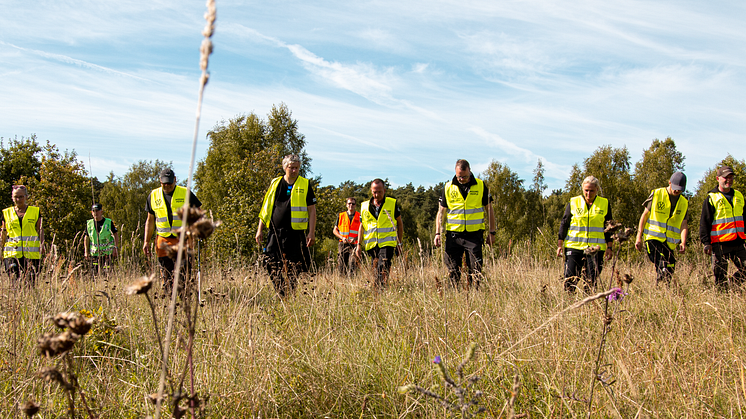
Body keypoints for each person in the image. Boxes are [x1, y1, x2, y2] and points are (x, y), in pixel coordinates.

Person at [256, 154, 317, 297]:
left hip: (295, 233)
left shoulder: (305, 184)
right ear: (285, 167)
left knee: (295, 265)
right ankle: (281, 291)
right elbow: (266, 208)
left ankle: (289, 293)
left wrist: (311, 232)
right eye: (291, 167)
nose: (294, 170)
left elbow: (312, 210)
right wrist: (260, 229)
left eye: (297, 168)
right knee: (269, 262)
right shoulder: (275, 183)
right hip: (275, 232)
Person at [433, 159, 495, 289]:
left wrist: (492, 232)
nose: (462, 179)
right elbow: (441, 212)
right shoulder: (448, 187)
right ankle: (454, 296)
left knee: (475, 269)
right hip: (454, 236)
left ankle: (474, 296)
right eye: (459, 176)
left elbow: (489, 209)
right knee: (453, 269)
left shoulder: (480, 185)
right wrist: (437, 233)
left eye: (465, 176)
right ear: (455, 173)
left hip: (474, 235)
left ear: (470, 171)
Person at [143, 169, 201, 288]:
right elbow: (150, 220)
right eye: (164, 183)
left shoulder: (185, 192)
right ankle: (169, 298)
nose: (167, 185)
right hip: (163, 241)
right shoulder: (153, 195)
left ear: (175, 180)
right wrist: (146, 241)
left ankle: (184, 297)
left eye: (169, 183)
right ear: (160, 181)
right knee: (166, 273)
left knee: (184, 273)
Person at [556, 176, 613, 292]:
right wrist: (560, 245)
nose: (588, 193)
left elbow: (609, 227)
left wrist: (610, 247)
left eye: (592, 190)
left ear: (597, 189)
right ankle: (570, 305)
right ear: (582, 189)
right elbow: (564, 224)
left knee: (591, 282)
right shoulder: (573, 202)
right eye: (586, 190)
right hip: (574, 246)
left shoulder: (604, 203)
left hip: (595, 249)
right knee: (570, 281)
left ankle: (589, 306)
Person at [634, 172, 689, 284]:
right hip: (653, 237)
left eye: (680, 189)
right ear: (669, 182)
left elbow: (684, 224)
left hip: (670, 241)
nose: (677, 191)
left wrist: (683, 242)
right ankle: (661, 278)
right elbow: (644, 216)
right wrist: (638, 237)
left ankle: (663, 287)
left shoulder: (684, 202)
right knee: (660, 260)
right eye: (675, 188)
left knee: (671, 264)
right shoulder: (657, 193)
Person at [699, 166, 746, 289]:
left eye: (731, 177)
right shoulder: (711, 198)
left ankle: (733, 285)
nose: (728, 180)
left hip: (738, 241)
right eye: (725, 177)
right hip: (720, 244)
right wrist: (706, 243)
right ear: (718, 178)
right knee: (720, 278)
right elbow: (704, 222)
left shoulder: (739, 196)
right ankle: (722, 298)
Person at [355, 179, 404, 288]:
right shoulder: (364, 206)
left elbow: (400, 224)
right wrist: (359, 245)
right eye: (374, 192)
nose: (376, 195)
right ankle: (379, 288)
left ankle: (379, 290)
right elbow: (361, 226)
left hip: (387, 243)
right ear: (371, 191)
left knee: (383, 266)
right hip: (371, 245)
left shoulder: (392, 203)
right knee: (375, 268)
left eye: (379, 192)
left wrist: (399, 243)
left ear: (384, 190)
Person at [0, 185, 43, 286]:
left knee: (30, 283)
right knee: (14, 282)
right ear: (12, 197)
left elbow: (40, 229)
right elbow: (3, 232)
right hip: (12, 253)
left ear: (26, 197)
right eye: (16, 197)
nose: (18, 199)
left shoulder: (35, 211)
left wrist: (42, 244)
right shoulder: (6, 213)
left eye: (21, 197)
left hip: (31, 253)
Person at [84, 203, 120, 277]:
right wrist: (86, 251)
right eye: (93, 211)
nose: (95, 213)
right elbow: (86, 237)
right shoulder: (89, 224)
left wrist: (115, 248)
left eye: (97, 210)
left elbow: (116, 235)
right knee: (94, 275)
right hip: (94, 254)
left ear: (101, 211)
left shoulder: (108, 222)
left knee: (107, 275)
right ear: (91, 212)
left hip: (107, 254)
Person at [332, 197, 361, 276]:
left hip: (354, 244)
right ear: (346, 205)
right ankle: (342, 283)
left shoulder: (359, 216)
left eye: (353, 204)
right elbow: (335, 230)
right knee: (341, 266)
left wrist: (355, 238)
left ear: (355, 205)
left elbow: (362, 231)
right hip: (342, 243)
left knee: (353, 265)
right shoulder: (341, 215)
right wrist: (342, 238)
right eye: (349, 203)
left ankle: (352, 283)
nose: (351, 205)